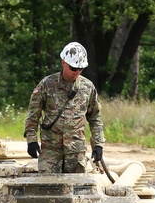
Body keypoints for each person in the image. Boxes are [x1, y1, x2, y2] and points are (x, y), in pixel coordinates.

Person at [24, 42, 105, 173]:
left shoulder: (87, 87)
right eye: (73, 68)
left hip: (76, 152)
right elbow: (33, 115)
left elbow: (95, 119)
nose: (77, 72)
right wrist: (31, 140)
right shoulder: (47, 84)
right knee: (47, 188)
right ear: (63, 62)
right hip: (51, 152)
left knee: (78, 190)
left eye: (81, 69)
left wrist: (98, 144)